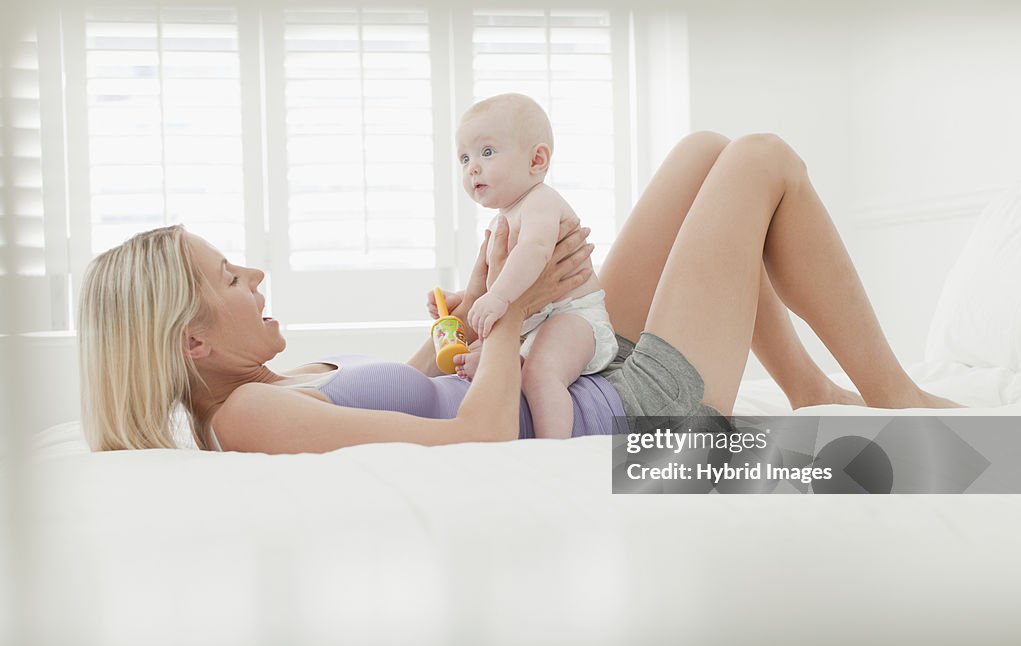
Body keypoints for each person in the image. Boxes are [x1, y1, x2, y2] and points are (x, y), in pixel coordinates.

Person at [78, 131, 957, 454]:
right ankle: (896, 394)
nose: (256, 277)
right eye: (231, 278)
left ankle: (808, 388)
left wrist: (471, 303)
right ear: (192, 342)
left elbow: (430, 390)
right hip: (636, 407)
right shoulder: (246, 420)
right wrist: (515, 301)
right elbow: (481, 430)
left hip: (569, 366)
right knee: (762, 161)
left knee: (703, 153)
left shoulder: (266, 391)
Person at [452, 93, 618, 438]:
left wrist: (497, 297)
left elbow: (535, 251)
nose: (472, 167)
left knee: (540, 373)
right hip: (536, 321)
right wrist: (466, 299)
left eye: (486, 152)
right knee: (483, 353)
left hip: (575, 318)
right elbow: (501, 277)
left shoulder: (540, 201)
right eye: (464, 158)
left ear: (537, 159)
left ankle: (553, 451)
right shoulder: (503, 218)